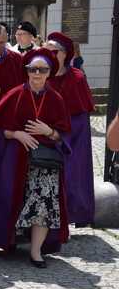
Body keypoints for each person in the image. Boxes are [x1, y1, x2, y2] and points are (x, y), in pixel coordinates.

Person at [0, 48, 71, 268]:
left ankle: (36, 251)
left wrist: (48, 131)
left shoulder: (56, 98)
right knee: (9, 199)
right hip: (14, 160)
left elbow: (64, 134)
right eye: (33, 69)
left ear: (49, 72)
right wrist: (16, 134)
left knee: (44, 204)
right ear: (27, 71)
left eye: (42, 70)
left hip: (45, 162)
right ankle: (8, 240)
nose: (37, 74)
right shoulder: (14, 94)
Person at [46, 32, 96, 226]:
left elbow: (81, 115)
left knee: (73, 175)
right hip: (44, 133)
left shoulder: (76, 77)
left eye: (54, 51)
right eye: (46, 51)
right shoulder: (40, 74)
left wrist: (63, 136)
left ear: (64, 54)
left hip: (73, 134)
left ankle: (72, 215)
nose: (50, 55)